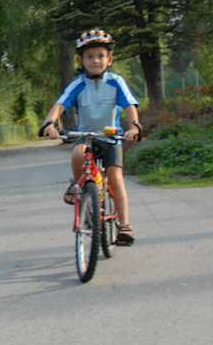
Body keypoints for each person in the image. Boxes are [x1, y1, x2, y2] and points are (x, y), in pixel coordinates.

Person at [39, 28, 142, 245]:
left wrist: (134, 126)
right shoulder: (78, 84)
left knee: (115, 178)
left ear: (109, 59)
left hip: (111, 138)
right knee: (78, 153)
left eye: (101, 56)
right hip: (86, 136)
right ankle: (78, 185)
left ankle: (125, 226)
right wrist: (50, 122)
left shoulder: (116, 82)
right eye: (90, 56)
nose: (95, 60)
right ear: (81, 60)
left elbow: (130, 106)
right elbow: (60, 104)